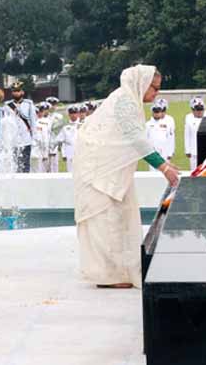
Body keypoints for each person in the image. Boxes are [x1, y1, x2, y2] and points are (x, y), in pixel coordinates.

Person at [74, 65, 179, 289]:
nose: (157, 93)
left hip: (112, 170)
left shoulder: (129, 101)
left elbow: (136, 138)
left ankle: (120, 270)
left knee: (121, 217)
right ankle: (108, 276)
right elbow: (136, 140)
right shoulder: (124, 101)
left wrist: (165, 163)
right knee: (105, 219)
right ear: (142, 83)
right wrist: (164, 168)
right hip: (99, 169)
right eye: (155, 88)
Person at [3, 82, 36, 172]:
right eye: (14, 91)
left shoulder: (29, 104)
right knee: (14, 164)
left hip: (26, 139)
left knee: (25, 164)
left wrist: (34, 138)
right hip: (13, 140)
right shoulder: (7, 106)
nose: (16, 93)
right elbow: (5, 125)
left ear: (22, 92)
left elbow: (33, 122)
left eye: (18, 91)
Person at [145, 100, 175, 169]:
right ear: (152, 112)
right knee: (153, 173)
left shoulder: (167, 124)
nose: (157, 113)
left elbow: (170, 139)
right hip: (153, 153)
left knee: (166, 171)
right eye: (155, 111)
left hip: (164, 152)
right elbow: (145, 139)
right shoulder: (147, 125)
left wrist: (170, 152)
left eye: (158, 111)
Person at [185, 97, 206, 171]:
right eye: (197, 110)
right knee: (194, 170)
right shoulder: (189, 119)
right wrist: (187, 150)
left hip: (205, 149)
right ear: (193, 110)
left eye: (201, 110)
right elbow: (187, 135)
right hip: (193, 150)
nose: (199, 112)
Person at [56, 105, 80, 172]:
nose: (73, 115)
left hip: (80, 151)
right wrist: (64, 154)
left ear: (78, 114)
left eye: (75, 113)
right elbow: (61, 141)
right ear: (69, 114)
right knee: (70, 171)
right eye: (71, 113)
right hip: (69, 151)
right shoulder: (65, 126)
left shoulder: (82, 124)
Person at [32, 102, 52, 173]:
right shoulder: (41, 123)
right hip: (37, 152)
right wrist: (45, 154)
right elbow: (44, 140)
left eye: (41, 111)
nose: (40, 113)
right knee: (38, 172)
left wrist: (45, 154)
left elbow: (45, 139)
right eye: (38, 112)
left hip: (36, 151)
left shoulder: (45, 122)